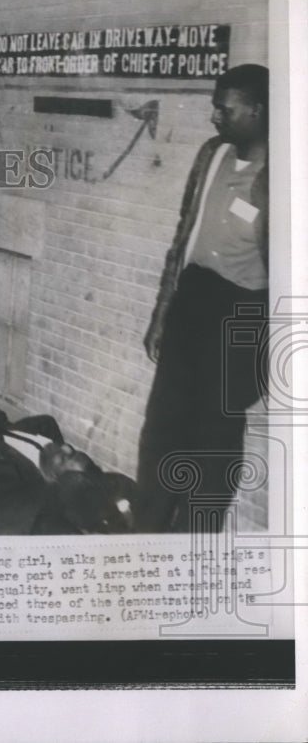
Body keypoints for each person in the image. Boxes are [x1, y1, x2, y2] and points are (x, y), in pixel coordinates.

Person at [135, 64, 269, 533]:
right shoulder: (212, 153)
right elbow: (182, 238)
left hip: (240, 314)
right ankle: (145, 533)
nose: (215, 117)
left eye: (224, 109)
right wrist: (160, 316)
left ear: (256, 111)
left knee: (214, 442)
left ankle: (194, 544)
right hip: (192, 301)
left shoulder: (284, 177)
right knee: (162, 431)